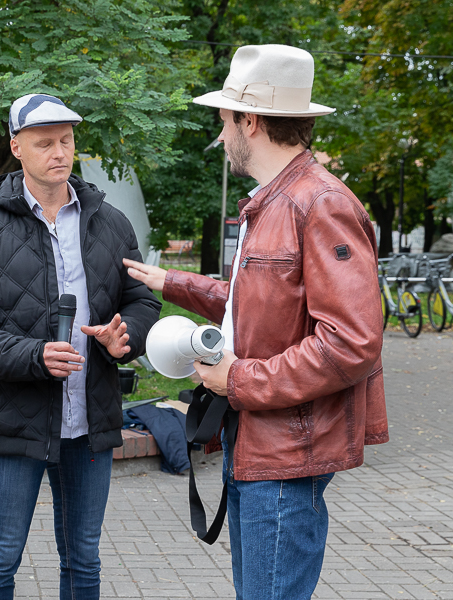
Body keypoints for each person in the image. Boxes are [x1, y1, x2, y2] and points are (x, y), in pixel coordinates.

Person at [125, 45, 389, 600]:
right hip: (261, 446)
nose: (220, 138)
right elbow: (258, 301)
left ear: (250, 120)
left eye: (224, 122)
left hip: (286, 457)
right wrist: (169, 282)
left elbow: (351, 342)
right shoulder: (275, 201)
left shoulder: (318, 203)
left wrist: (239, 380)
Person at [0, 93, 161, 600]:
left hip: (91, 419)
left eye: (66, 140)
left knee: (83, 561)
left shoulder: (111, 223)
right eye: (44, 143)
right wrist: (34, 357)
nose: (59, 152)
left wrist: (125, 334)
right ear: (16, 147)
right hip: (14, 420)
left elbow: (143, 303)